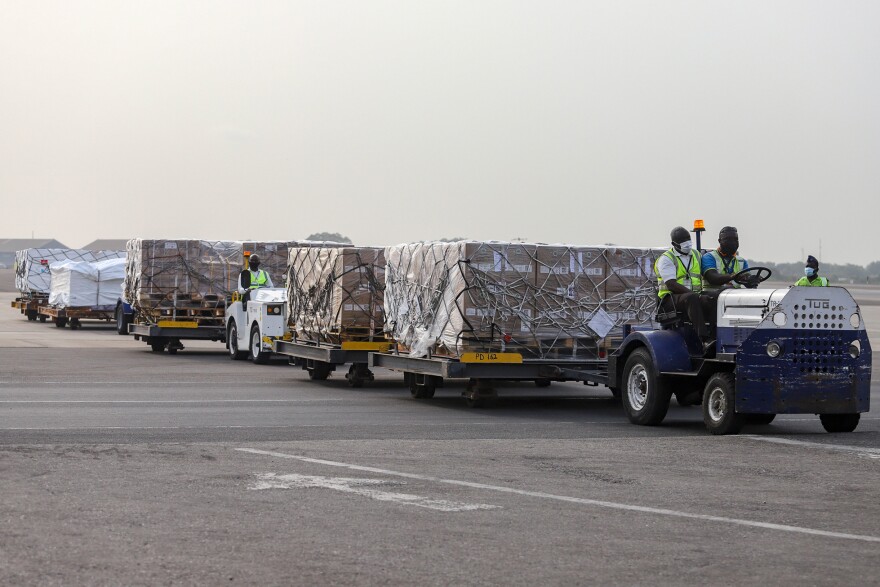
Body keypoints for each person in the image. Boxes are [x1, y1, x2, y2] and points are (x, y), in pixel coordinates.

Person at [655, 226, 713, 350]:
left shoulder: (696, 254)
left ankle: (716, 334)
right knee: (692, 298)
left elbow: (706, 274)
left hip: (690, 296)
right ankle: (704, 340)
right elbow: (671, 284)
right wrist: (697, 296)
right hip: (669, 299)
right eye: (682, 240)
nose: (687, 242)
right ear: (673, 243)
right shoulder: (666, 259)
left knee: (716, 296)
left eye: (688, 238)